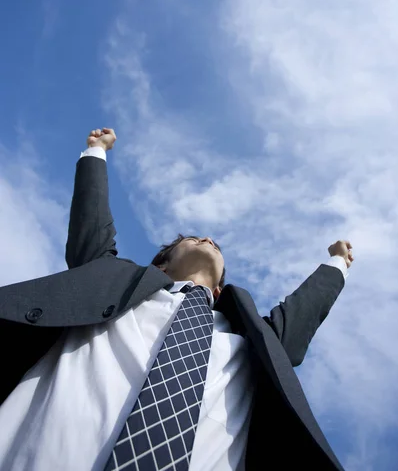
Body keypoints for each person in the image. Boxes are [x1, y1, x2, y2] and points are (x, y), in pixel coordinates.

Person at [0, 127, 354, 471]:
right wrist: (96, 151)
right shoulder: (117, 290)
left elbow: (303, 311)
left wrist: (338, 261)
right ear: (162, 266)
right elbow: (91, 229)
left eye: (214, 244)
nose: (209, 239)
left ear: (219, 291)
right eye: (194, 238)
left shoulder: (249, 342)